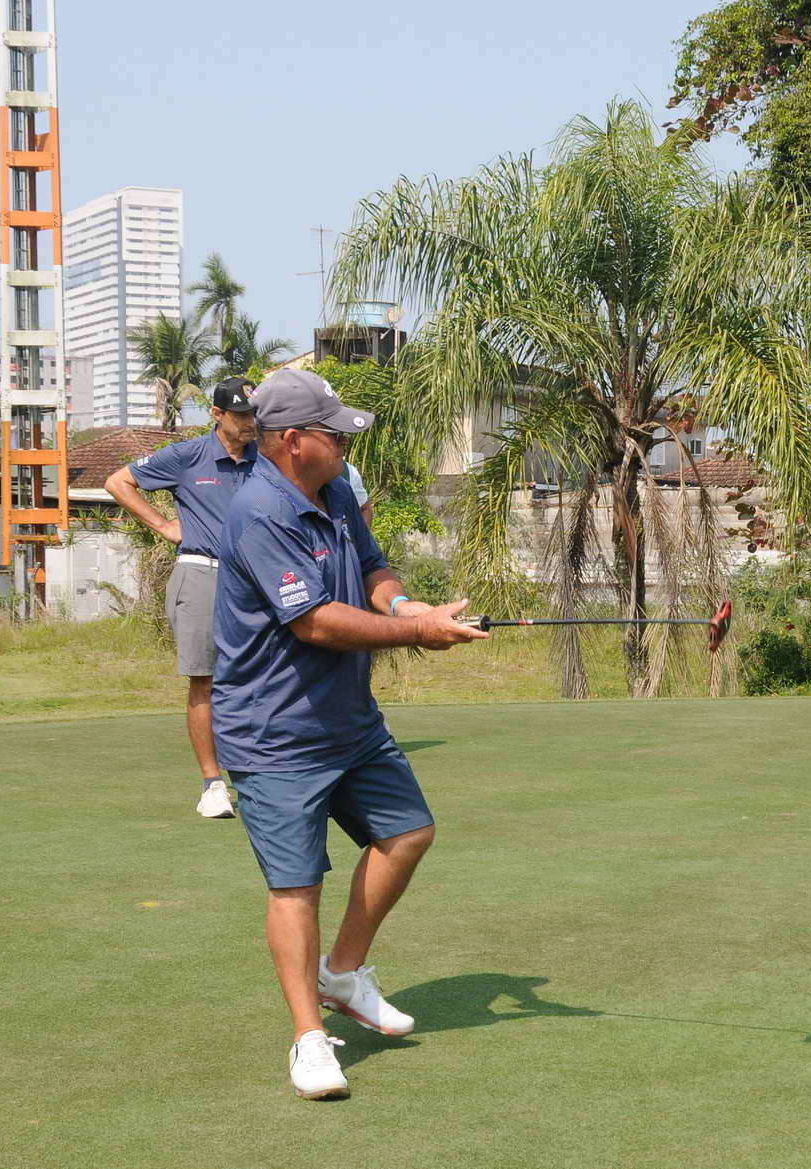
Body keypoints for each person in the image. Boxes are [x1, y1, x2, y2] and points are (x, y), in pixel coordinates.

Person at [209, 368, 487, 1100]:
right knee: (296, 885)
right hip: (274, 731)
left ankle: (341, 972)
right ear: (293, 441)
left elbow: (370, 567)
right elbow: (315, 622)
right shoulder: (259, 513)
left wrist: (406, 605)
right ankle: (309, 1039)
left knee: (408, 832)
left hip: (348, 719)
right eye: (334, 434)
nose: (345, 444)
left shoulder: (331, 490)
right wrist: (417, 632)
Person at [105, 376, 259, 816]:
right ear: (217, 414)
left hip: (256, 581)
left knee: (261, 678)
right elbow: (118, 482)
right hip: (202, 575)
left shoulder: (266, 459)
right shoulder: (187, 455)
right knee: (204, 680)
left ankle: (262, 774)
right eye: (240, 415)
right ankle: (213, 785)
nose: (249, 422)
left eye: (254, 414)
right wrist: (164, 526)